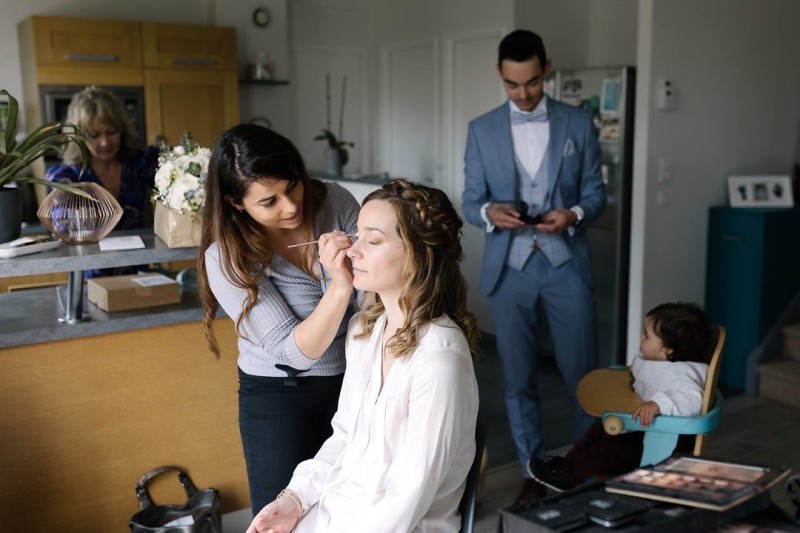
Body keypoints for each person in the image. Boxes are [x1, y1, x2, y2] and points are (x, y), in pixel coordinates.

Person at [246, 179, 480, 533]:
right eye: (357, 236)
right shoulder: (364, 333)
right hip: (341, 510)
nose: (353, 251)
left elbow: (406, 499)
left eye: (373, 240)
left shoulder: (439, 359)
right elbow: (345, 436)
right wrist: (295, 499)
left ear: (420, 253)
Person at [461, 29, 606, 505]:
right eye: (511, 84)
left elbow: (595, 194)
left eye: (531, 82)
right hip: (509, 269)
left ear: (547, 68)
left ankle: (585, 467)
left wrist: (574, 215)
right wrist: (490, 214)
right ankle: (532, 468)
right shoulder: (481, 129)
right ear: (499, 75)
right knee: (518, 379)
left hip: (568, 266)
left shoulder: (578, 122)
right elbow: (470, 201)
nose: (522, 94)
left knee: (582, 377)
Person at [197, 124, 361, 515]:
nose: (290, 206)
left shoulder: (335, 201)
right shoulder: (225, 258)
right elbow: (295, 353)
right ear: (236, 203)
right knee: (280, 515)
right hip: (279, 395)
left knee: (349, 509)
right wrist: (340, 286)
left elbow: (377, 296)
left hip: (355, 379)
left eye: (293, 186)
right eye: (269, 201)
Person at [529, 302, 714, 491]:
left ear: (667, 351)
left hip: (665, 439)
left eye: (647, 336)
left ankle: (569, 477)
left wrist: (657, 405)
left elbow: (693, 400)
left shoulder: (681, 374)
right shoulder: (656, 361)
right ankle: (567, 466)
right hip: (644, 428)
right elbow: (644, 376)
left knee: (606, 450)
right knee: (598, 430)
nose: (641, 337)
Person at [46, 86, 158, 230]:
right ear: (78, 138)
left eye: (111, 132)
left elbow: (174, 181)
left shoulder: (140, 162)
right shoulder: (66, 177)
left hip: (139, 244)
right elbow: (60, 221)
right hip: (91, 246)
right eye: (94, 135)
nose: (105, 142)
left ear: (122, 130)